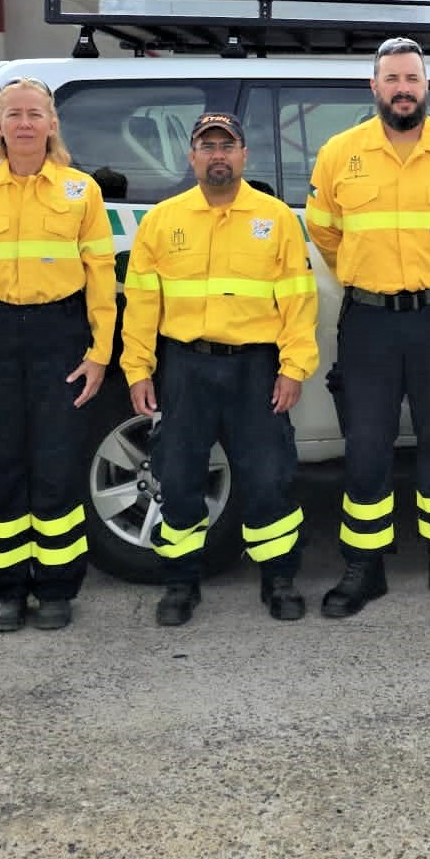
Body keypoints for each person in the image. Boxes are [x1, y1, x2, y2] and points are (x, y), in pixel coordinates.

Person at [306, 36, 430, 617]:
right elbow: (326, 232)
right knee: (366, 445)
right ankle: (364, 568)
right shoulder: (340, 153)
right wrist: (373, 275)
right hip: (368, 320)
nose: (402, 88)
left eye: (411, 78)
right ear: (374, 87)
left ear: (426, 85)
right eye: (391, 79)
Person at [0, 77, 117, 633]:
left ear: (52, 124)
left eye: (36, 113)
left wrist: (100, 354)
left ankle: (57, 589)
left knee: (57, 467)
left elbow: (103, 280)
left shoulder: (82, 191)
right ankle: (5, 592)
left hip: (60, 334)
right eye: (14, 114)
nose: (26, 123)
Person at [120, 111, 319, 626]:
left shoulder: (275, 218)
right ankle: (180, 583)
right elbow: (142, 302)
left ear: (242, 155)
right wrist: (138, 369)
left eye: (226, 146)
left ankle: (278, 579)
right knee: (179, 477)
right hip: (185, 367)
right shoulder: (163, 220)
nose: (217, 155)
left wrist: (294, 368)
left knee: (268, 476)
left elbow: (299, 300)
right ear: (192, 157)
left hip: (256, 367)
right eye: (207, 147)